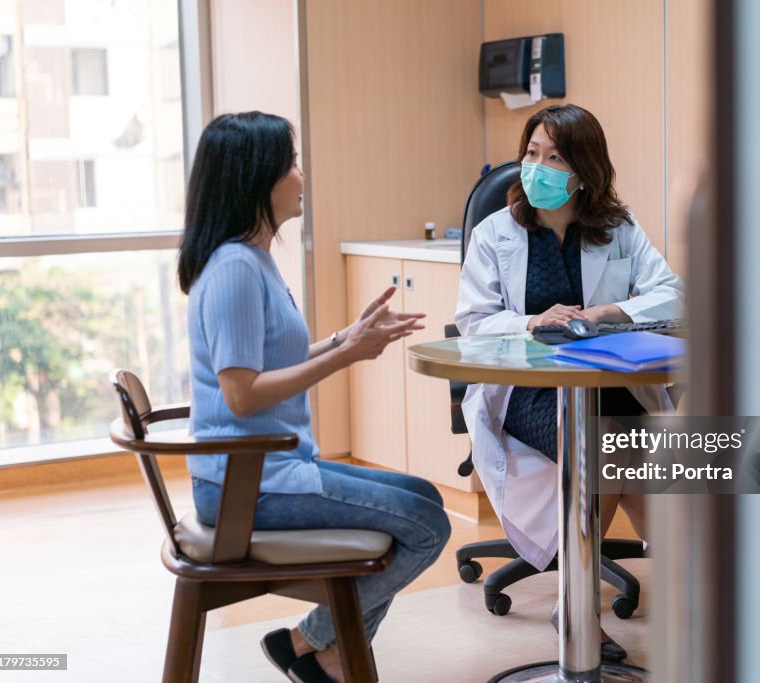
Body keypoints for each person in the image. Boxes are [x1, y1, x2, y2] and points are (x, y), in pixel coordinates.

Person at [177, 111, 451, 683]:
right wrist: (346, 357)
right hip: (246, 489)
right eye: (293, 165)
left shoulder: (253, 260)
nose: (302, 177)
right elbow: (242, 396)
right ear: (259, 180)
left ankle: (315, 648)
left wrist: (340, 340)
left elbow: (265, 363)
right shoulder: (233, 269)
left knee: (424, 498)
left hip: (270, 471)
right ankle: (313, 643)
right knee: (428, 525)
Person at [455, 103, 685, 660]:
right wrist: (531, 321)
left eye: (554, 157)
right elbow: (473, 322)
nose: (536, 168)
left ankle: (667, 602)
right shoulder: (496, 232)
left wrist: (611, 311)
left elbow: (673, 293)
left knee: (650, 460)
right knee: (610, 451)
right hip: (527, 390)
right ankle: (583, 608)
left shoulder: (618, 229)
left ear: (584, 170)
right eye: (531, 154)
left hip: (610, 380)